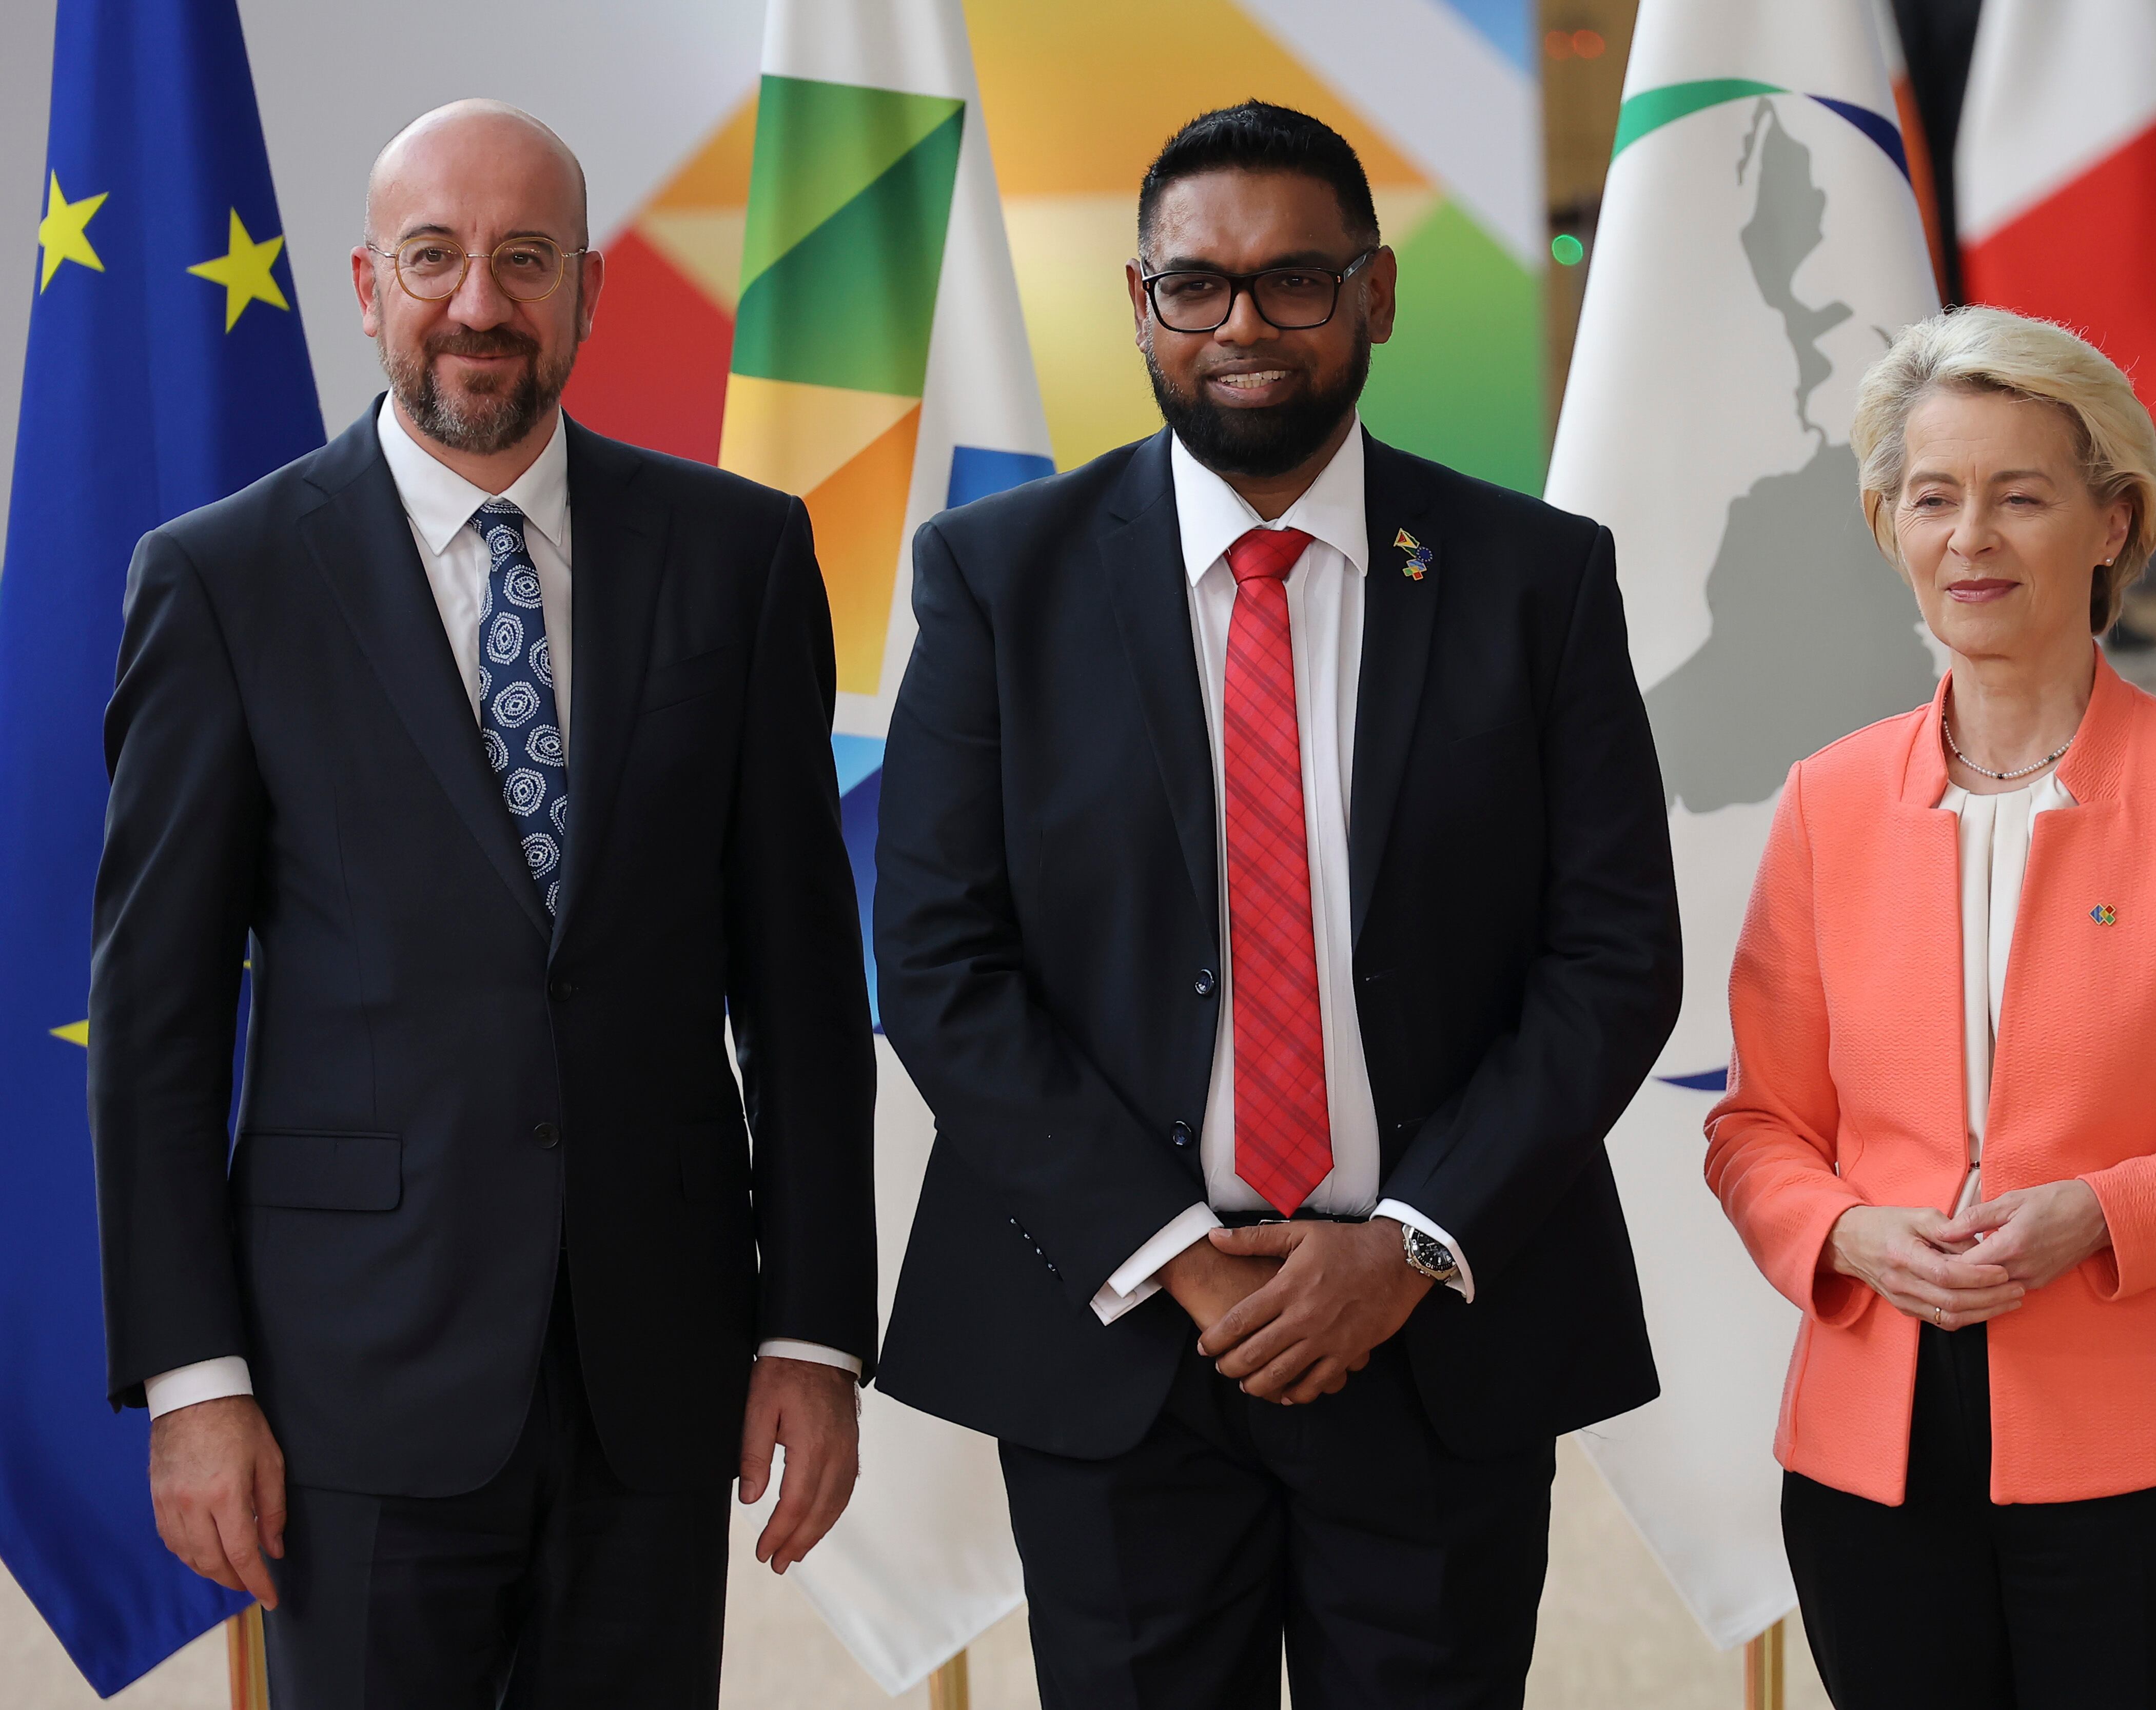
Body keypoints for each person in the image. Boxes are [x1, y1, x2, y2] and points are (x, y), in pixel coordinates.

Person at [871, 102, 1681, 1707]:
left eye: (1293, 282)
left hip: (1434, 1336)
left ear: (1377, 295)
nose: (1241, 326)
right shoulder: (997, 578)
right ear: (1140, 301)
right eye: (1198, 286)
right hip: (1123, 1346)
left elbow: (1612, 956)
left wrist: (1409, 1243)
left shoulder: (1537, 580)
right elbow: (941, 960)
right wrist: (1172, 1250)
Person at [90, 101, 876, 1706]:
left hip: (657, 1369)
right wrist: (194, 1380)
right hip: (349, 1385)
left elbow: (800, 986)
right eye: (437, 258)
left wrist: (811, 1332)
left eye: (525, 260)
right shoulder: (223, 581)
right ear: (372, 285)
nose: (479, 303)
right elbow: (158, 1021)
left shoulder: (739, 556)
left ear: (589, 290)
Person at [1704, 305, 2156, 1708]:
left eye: (2021, 497)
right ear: (1890, 527)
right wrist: (1845, 1230)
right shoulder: (1829, 801)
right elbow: (1759, 1125)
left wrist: (2102, 1214)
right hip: (1872, 1460)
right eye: (1933, 499)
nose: (1971, 540)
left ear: (2115, 523)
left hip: (2148, 1457)